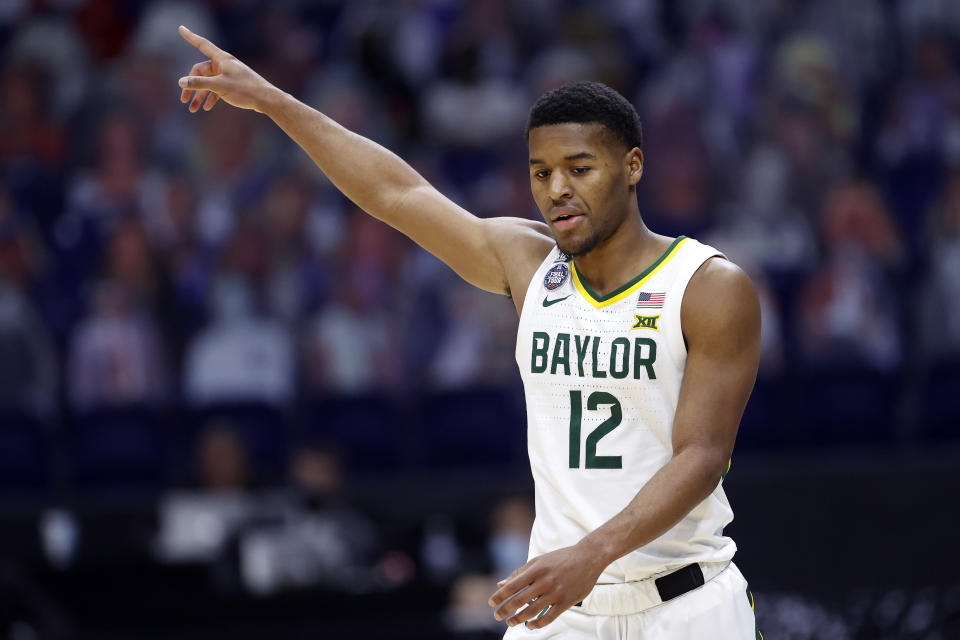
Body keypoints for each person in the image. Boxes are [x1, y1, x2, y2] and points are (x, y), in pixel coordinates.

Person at [176, 25, 762, 639]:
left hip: (682, 605)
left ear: (632, 165)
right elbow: (396, 193)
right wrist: (273, 100)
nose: (557, 189)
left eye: (579, 168)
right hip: (562, 607)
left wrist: (593, 554)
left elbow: (702, 455)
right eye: (541, 173)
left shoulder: (710, 285)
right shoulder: (529, 262)